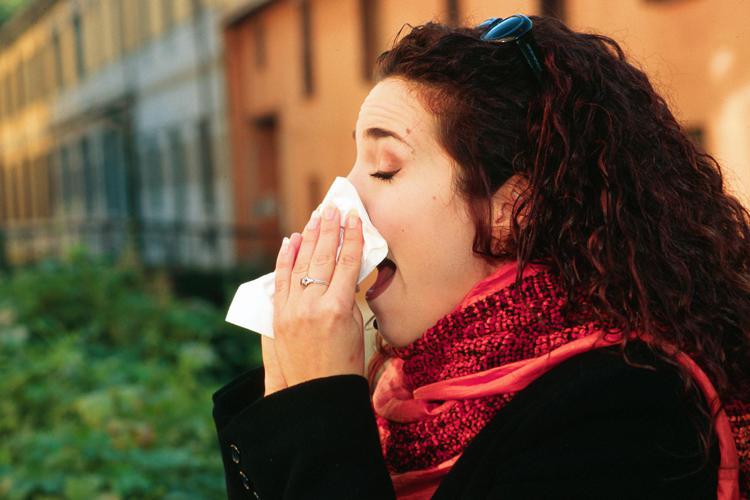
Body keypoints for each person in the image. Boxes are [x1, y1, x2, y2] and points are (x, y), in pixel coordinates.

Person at [211, 14, 750, 499]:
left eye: (384, 168)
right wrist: (290, 393)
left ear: (512, 211)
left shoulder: (628, 409)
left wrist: (316, 411)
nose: (341, 203)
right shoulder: (399, 398)